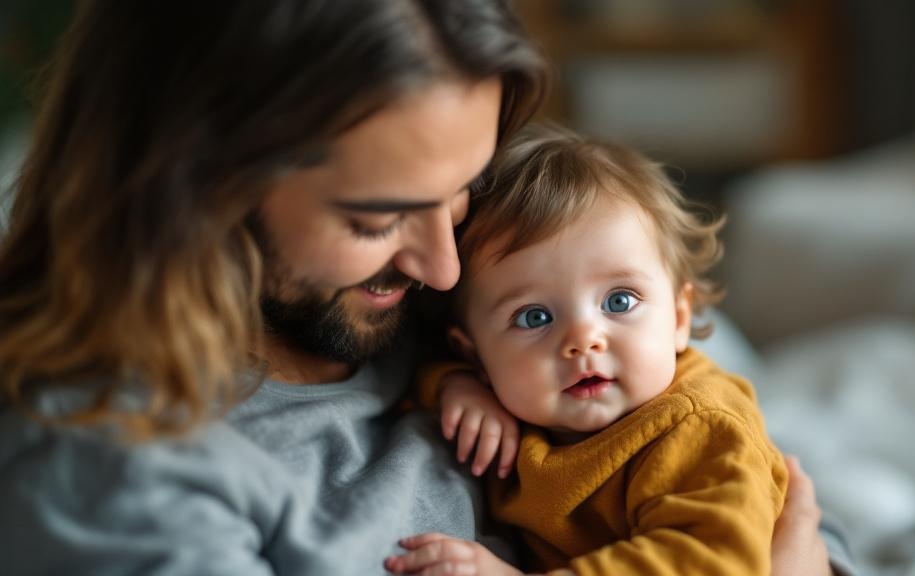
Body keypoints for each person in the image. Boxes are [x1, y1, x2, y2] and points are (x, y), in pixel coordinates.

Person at [0, 1, 851, 575]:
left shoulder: (406, 303)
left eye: (461, 196)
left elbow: (765, 503)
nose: (444, 270)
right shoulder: (112, 473)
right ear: (191, 188)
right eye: (378, 220)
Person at [385, 125, 787, 575]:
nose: (583, 339)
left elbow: (710, 563)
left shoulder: (696, 426)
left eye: (619, 301)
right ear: (477, 355)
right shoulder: (504, 406)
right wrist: (452, 386)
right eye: (534, 317)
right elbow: (400, 379)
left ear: (678, 319)